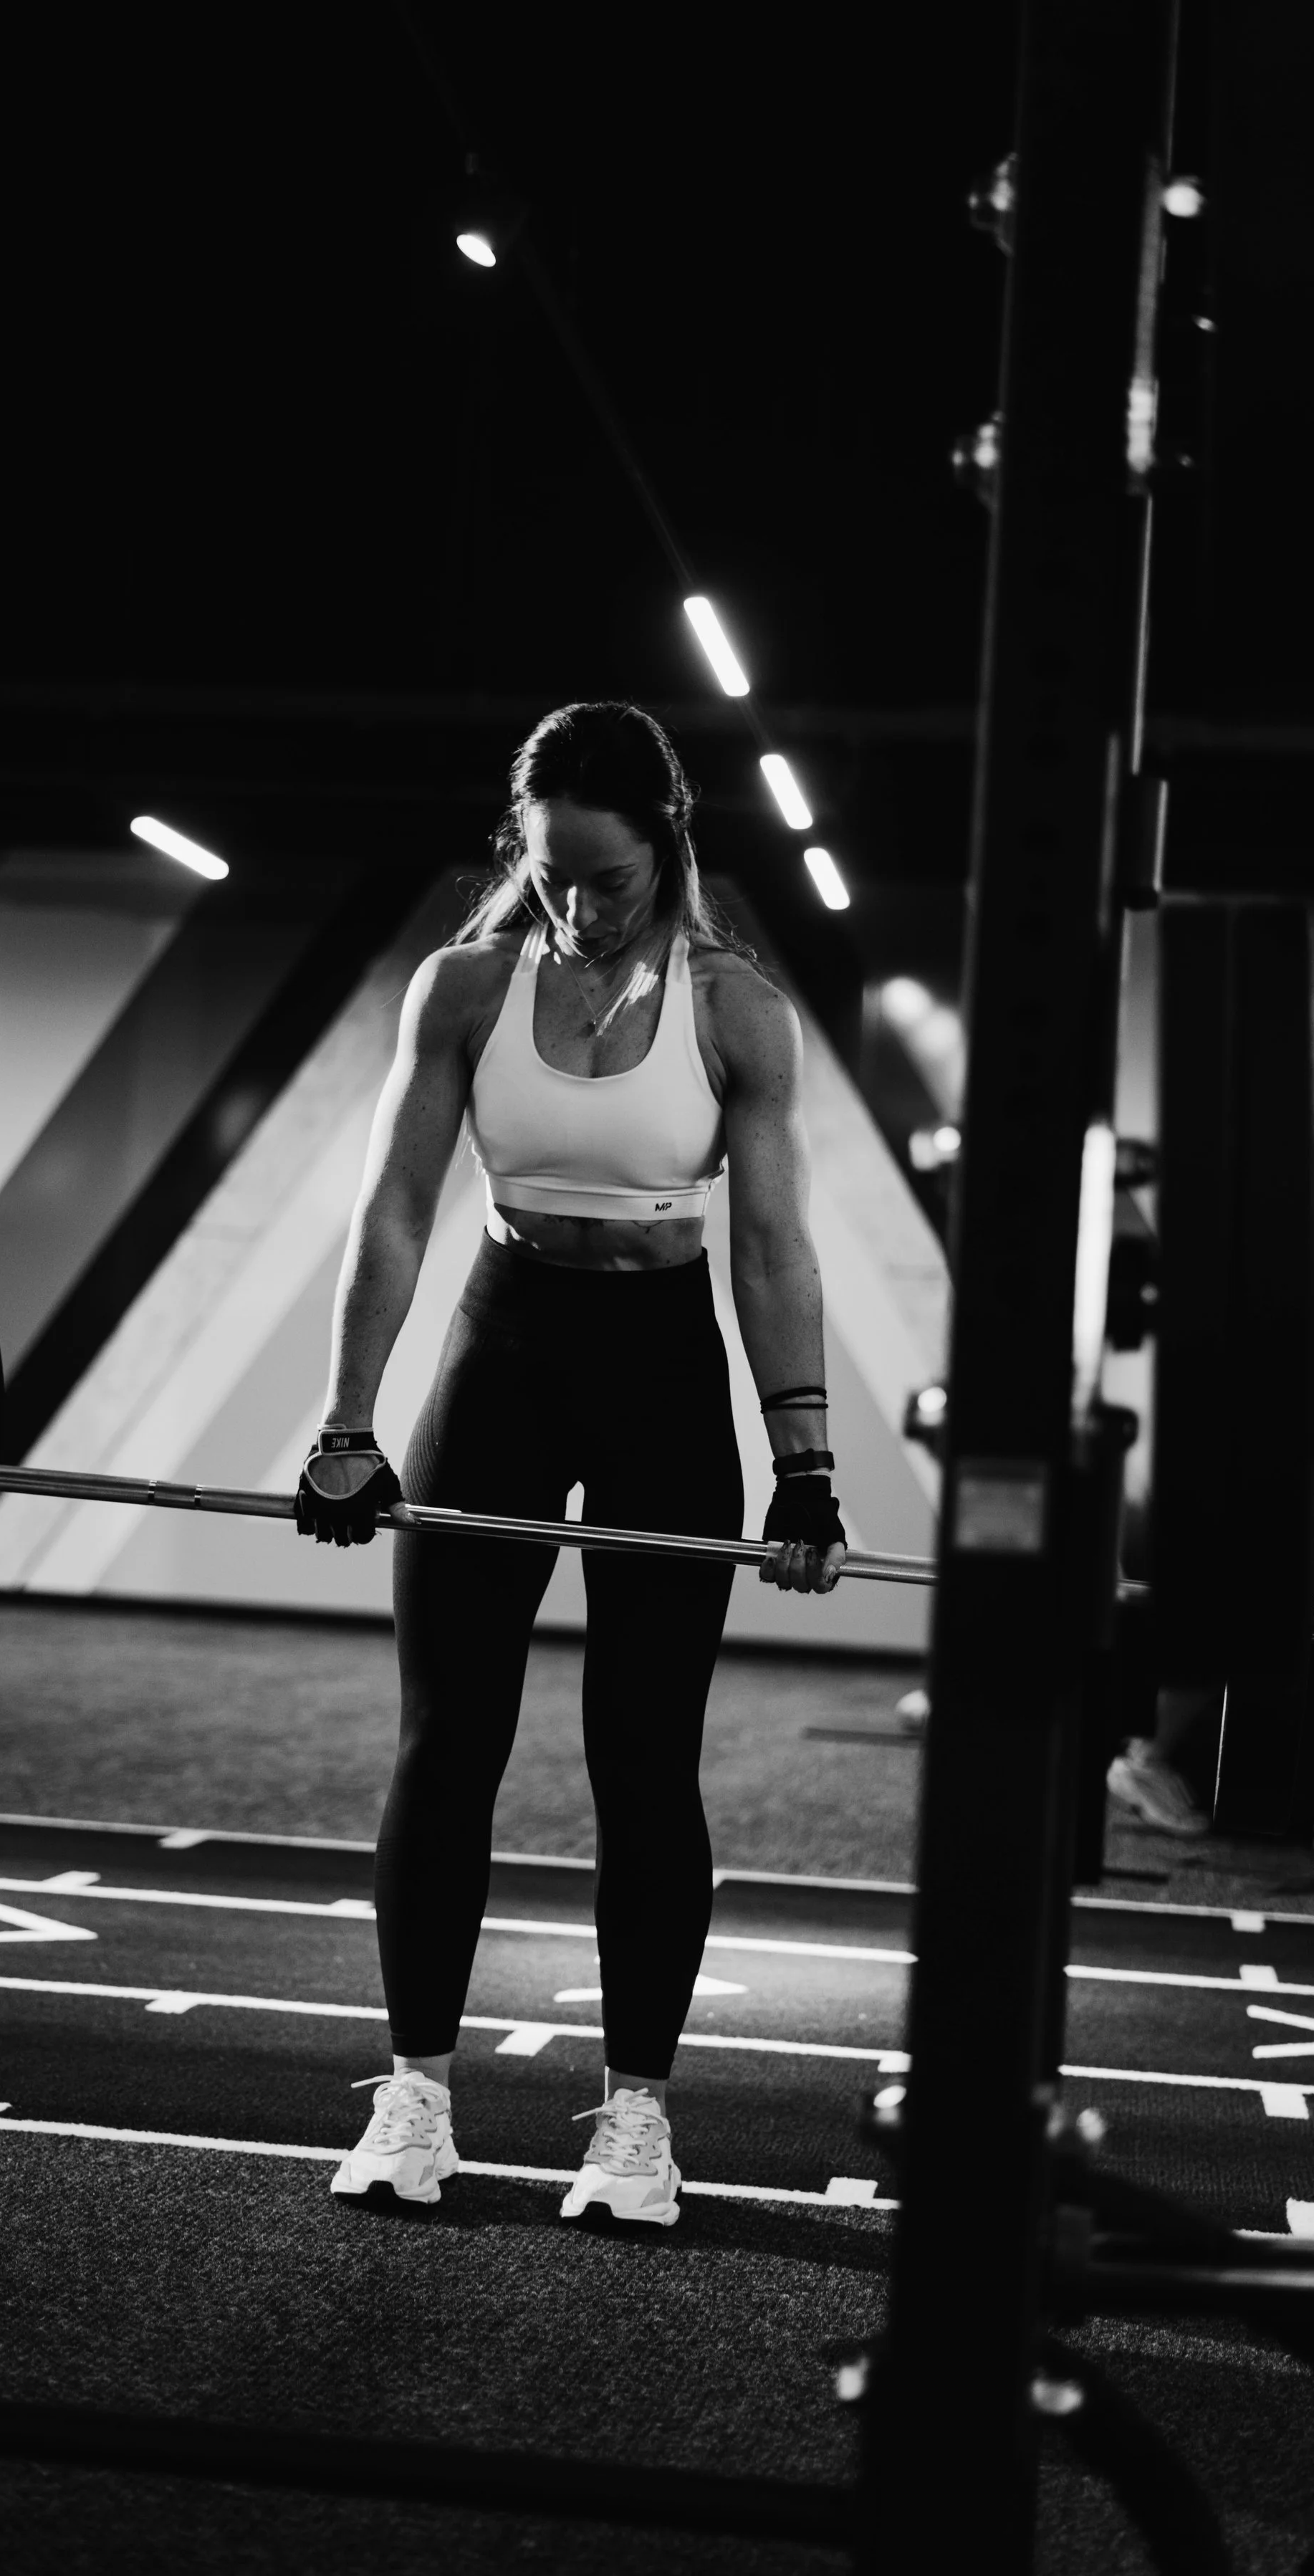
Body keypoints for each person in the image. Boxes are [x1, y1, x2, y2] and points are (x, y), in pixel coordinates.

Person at [295, 701, 848, 2228]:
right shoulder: (465, 984)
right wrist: (346, 1422)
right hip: (506, 1349)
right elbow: (395, 1209)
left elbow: (772, 1243)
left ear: (665, 846)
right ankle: (414, 2091)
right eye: (550, 873)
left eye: (603, 878)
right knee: (444, 1737)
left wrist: (804, 1459)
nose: (575, 904)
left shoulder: (734, 1007)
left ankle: (634, 2121)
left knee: (643, 1756)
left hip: (663, 1371)